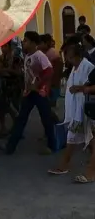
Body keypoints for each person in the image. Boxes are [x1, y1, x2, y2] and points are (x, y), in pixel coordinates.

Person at [2, 31, 56, 155]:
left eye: (26, 40)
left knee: (46, 118)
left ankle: (52, 145)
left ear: (32, 43)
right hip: (29, 93)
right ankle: (10, 146)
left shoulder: (39, 55)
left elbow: (49, 71)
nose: (23, 43)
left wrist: (37, 85)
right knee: (21, 118)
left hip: (39, 92)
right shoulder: (27, 56)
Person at [48, 43, 95, 183]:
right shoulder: (75, 69)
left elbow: (89, 87)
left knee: (80, 137)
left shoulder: (89, 67)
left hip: (85, 109)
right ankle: (70, 165)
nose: (68, 60)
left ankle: (84, 170)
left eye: (70, 57)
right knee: (82, 137)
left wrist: (81, 89)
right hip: (79, 110)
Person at [0, 40, 24, 137]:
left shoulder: (16, 59)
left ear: (10, 47)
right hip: (3, 86)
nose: (3, 49)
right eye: (2, 47)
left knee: (14, 108)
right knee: (0, 108)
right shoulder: (1, 58)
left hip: (14, 86)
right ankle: (3, 127)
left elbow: (19, 72)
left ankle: (17, 129)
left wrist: (7, 70)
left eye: (5, 46)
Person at [39, 34, 63, 124]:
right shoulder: (46, 53)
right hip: (48, 86)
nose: (38, 45)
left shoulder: (52, 53)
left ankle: (57, 127)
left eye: (40, 43)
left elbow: (57, 72)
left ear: (45, 43)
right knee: (47, 110)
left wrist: (52, 86)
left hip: (52, 86)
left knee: (48, 110)